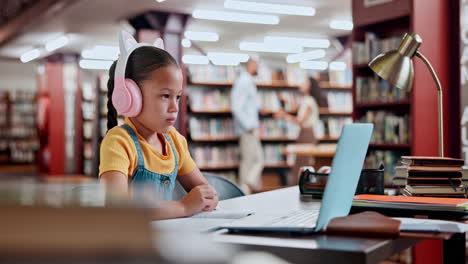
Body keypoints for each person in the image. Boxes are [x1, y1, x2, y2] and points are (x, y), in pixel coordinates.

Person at [99, 31, 218, 220]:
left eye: (177, 97)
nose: (175, 108)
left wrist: (207, 197)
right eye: (165, 96)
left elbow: (204, 191)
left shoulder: (175, 141)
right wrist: (183, 206)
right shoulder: (119, 141)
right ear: (130, 96)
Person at [274, 76, 321, 184]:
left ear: (310, 86)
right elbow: (296, 107)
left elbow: (300, 120)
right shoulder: (306, 100)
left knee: (302, 163)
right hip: (304, 133)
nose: (301, 84)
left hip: (307, 134)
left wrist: (284, 116)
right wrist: (285, 100)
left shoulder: (309, 101)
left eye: (304, 82)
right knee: (300, 162)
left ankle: (300, 186)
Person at [231, 58, 264, 194]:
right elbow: (236, 107)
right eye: (256, 65)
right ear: (250, 65)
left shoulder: (248, 81)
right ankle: (245, 188)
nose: (258, 68)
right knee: (253, 161)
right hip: (248, 129)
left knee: (253, 160)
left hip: (250, 128)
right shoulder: (244, 81)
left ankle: (246, 188)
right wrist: (249, 125)